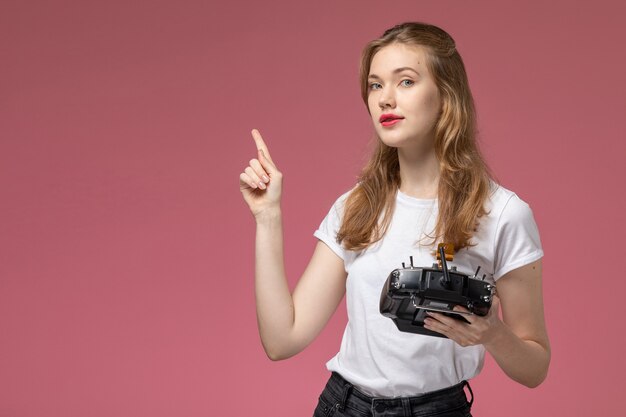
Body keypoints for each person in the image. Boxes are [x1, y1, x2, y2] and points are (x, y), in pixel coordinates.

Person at [239, 22, 550, 417]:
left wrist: (492, 333)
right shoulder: (356, 207)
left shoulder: (503, 214)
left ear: (446, 96)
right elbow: (282, 340)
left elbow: (535, 367)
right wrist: (267, 218)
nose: (385, 99)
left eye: (405, 82)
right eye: (375, 85)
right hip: (342, 406)